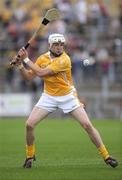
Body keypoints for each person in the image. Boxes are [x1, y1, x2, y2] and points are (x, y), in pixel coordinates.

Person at [14, 33, 118, 168]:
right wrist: (20, 66)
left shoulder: (65, 59)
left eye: (61, 44)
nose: (59, 47)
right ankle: (29, 156)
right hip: (49, 96)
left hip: (67, 96)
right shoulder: (42, 58)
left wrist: (26, 59)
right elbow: (29, 77)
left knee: (87, 125)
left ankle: (106, 156)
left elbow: (41, 73)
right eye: (56, 45)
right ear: (50, 45)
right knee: (29, 125)